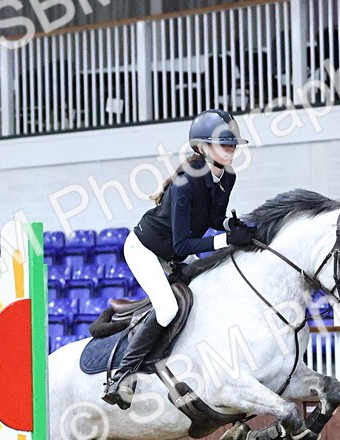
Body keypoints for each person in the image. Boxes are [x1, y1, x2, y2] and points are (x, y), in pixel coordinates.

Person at [101, 108, 255, 409]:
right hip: (145, 250)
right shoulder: (186, 183)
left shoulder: (228, 175)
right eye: (224, 143)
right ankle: (122, 375)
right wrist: (226, 240)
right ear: (202, 147)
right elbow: (183, 244)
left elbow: (213, 215)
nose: (231, 149)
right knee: (169, 307)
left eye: (232, 144)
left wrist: (229, 226)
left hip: (171, 251)